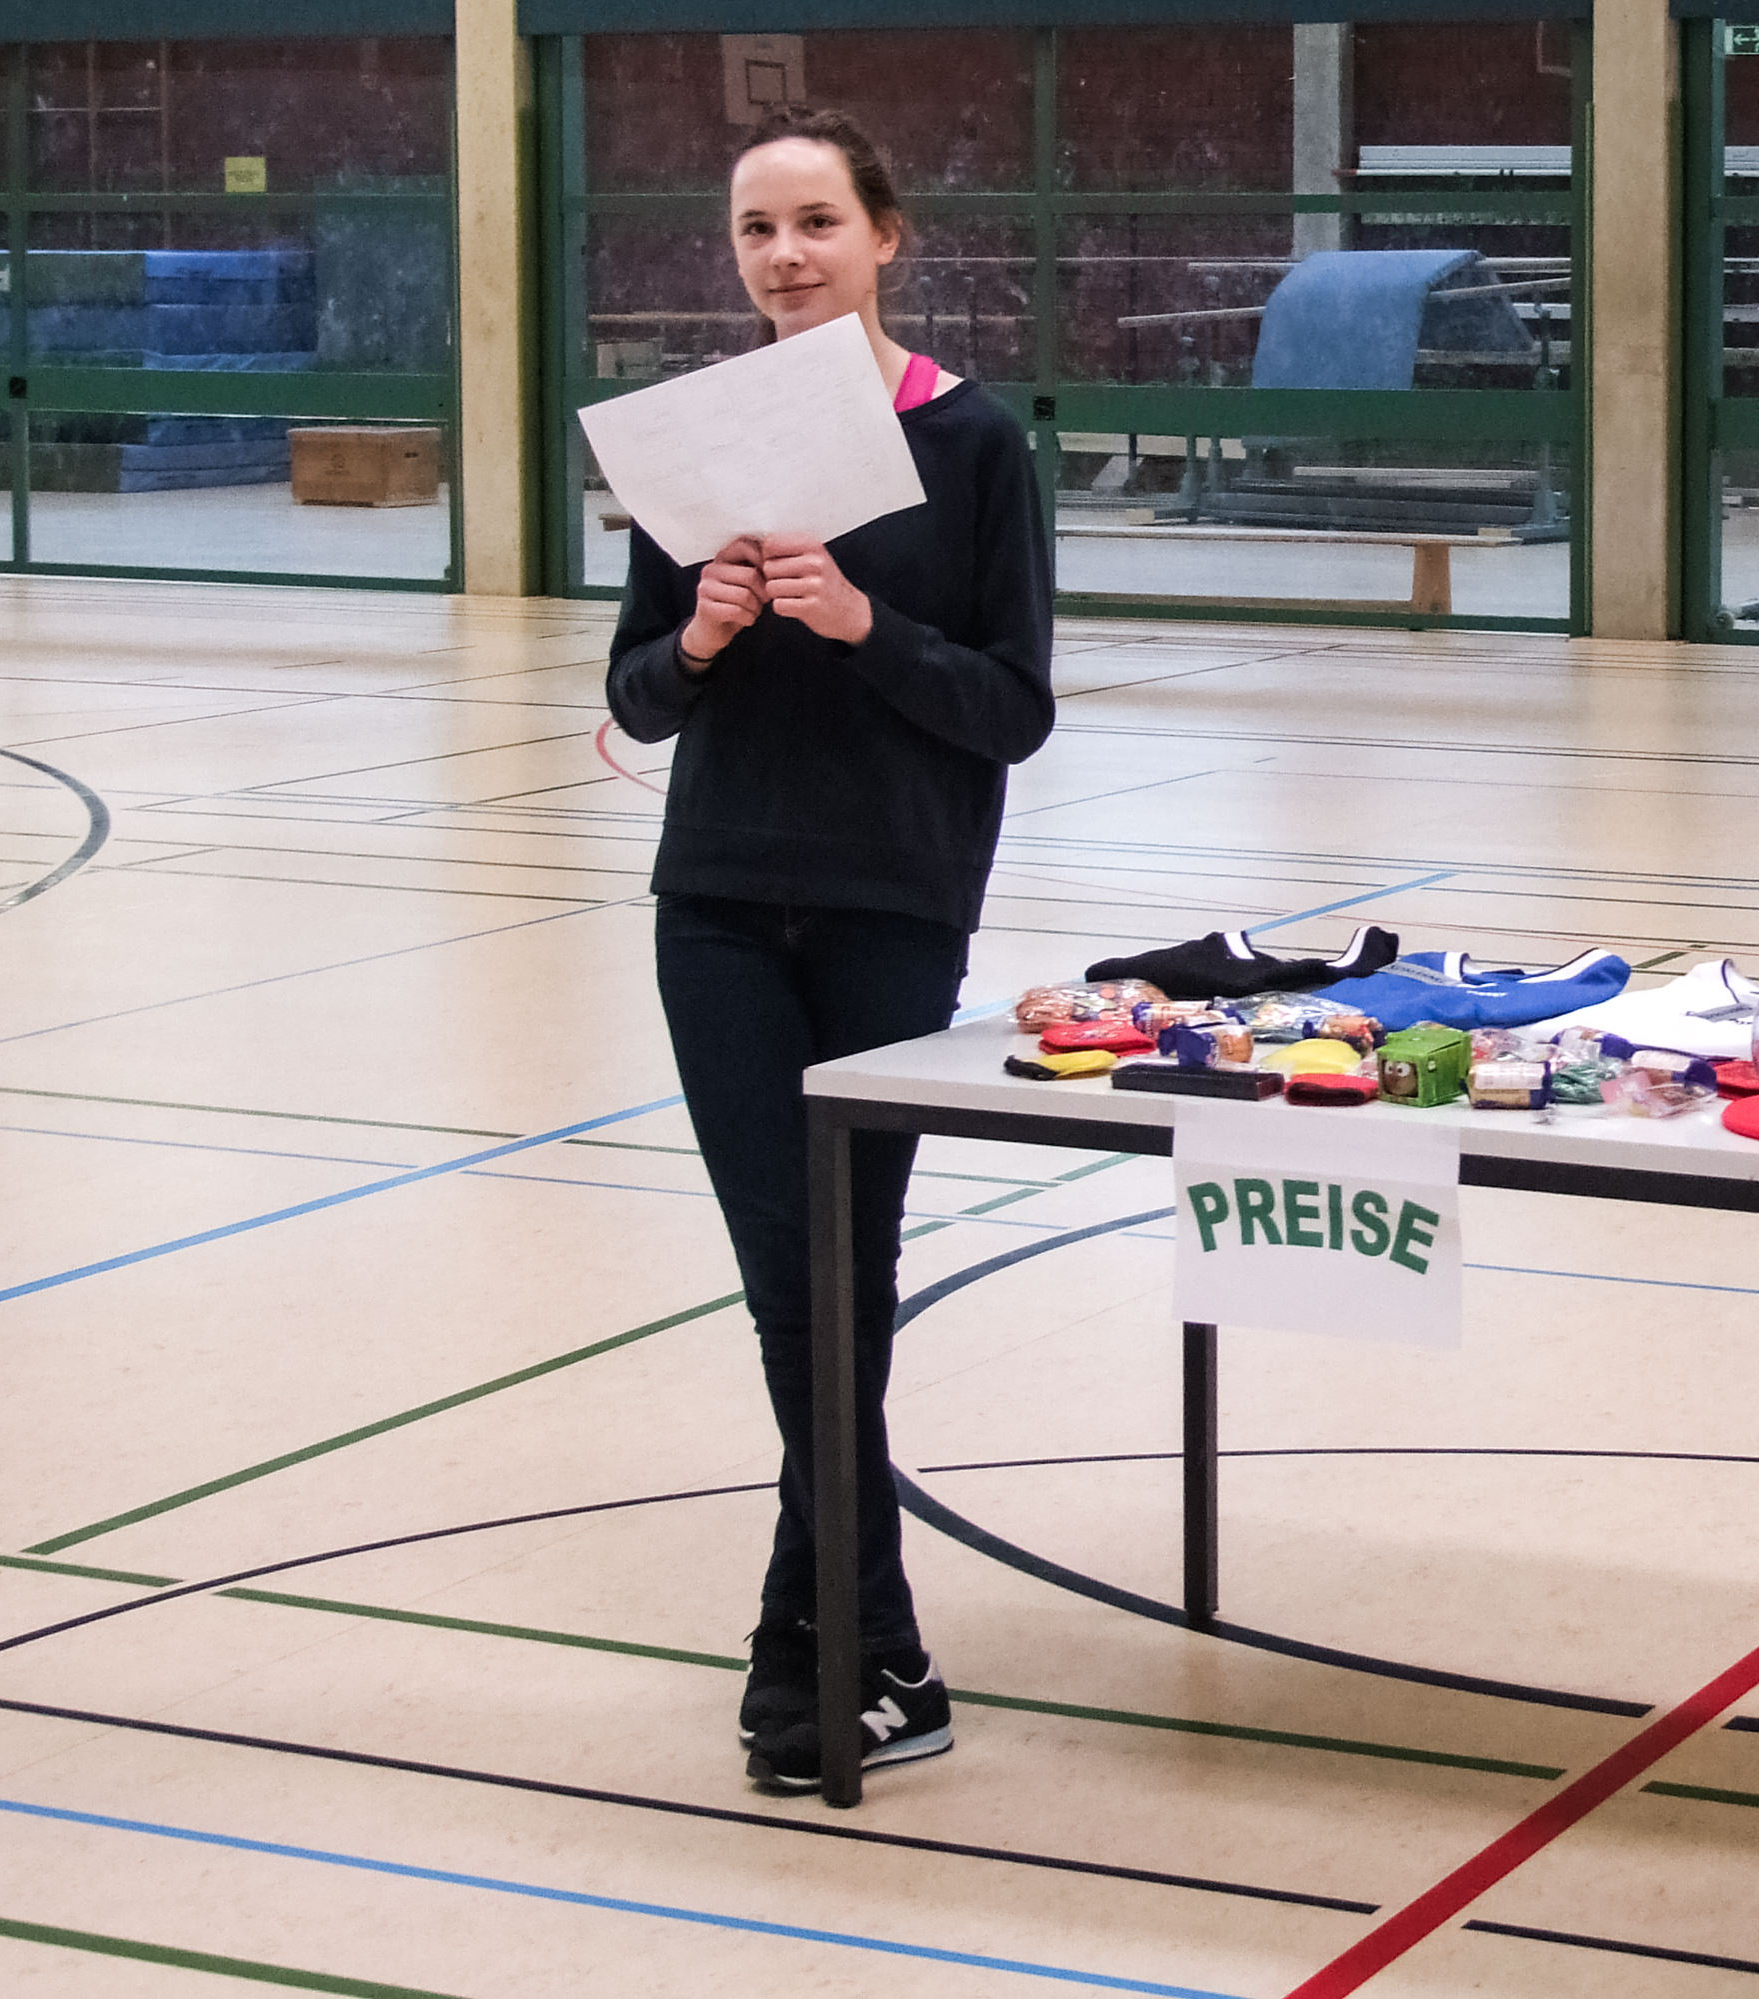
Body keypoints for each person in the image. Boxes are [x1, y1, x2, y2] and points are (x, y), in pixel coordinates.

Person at [604, 105, 1055, 1794]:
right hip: (717, 904)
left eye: (814, 223)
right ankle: (862, 1642)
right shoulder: (695, 447)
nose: (784, 256)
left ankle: (829, 1639)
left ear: (885, 236)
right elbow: (635, 697)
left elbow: (1012, 710)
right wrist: (700, 638)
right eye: (755, 229)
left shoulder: (975, 443)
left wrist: (868, 628)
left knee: (840, 1285)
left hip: (891, 908)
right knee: (789, 1289)